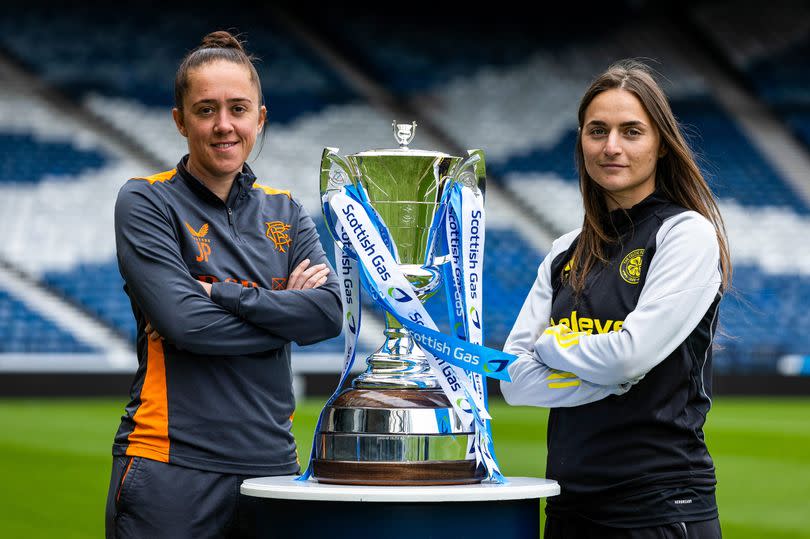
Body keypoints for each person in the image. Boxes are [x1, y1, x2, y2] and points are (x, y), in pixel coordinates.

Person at [104, 31, 343, 538]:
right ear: (179, 120)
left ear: (260, 117)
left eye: (238, 108)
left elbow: (326, 315)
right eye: (205, 109)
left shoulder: (286, 209)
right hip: (172, 467)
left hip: (272, 468)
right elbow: (186, 325)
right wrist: (284, 313)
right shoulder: (147, 202)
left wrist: (224, 294)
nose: (223, 126)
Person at [501, 59, 732, 539]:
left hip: (660, 506)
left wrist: (550, 347)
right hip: (569, 504)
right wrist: (609, 377)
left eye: (631, 132)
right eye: (597, 131)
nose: (611, 146)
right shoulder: (563, 252)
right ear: (581, 141)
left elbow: (629, 357)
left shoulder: (685, 233)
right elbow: (513, 381)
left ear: (661, 145)